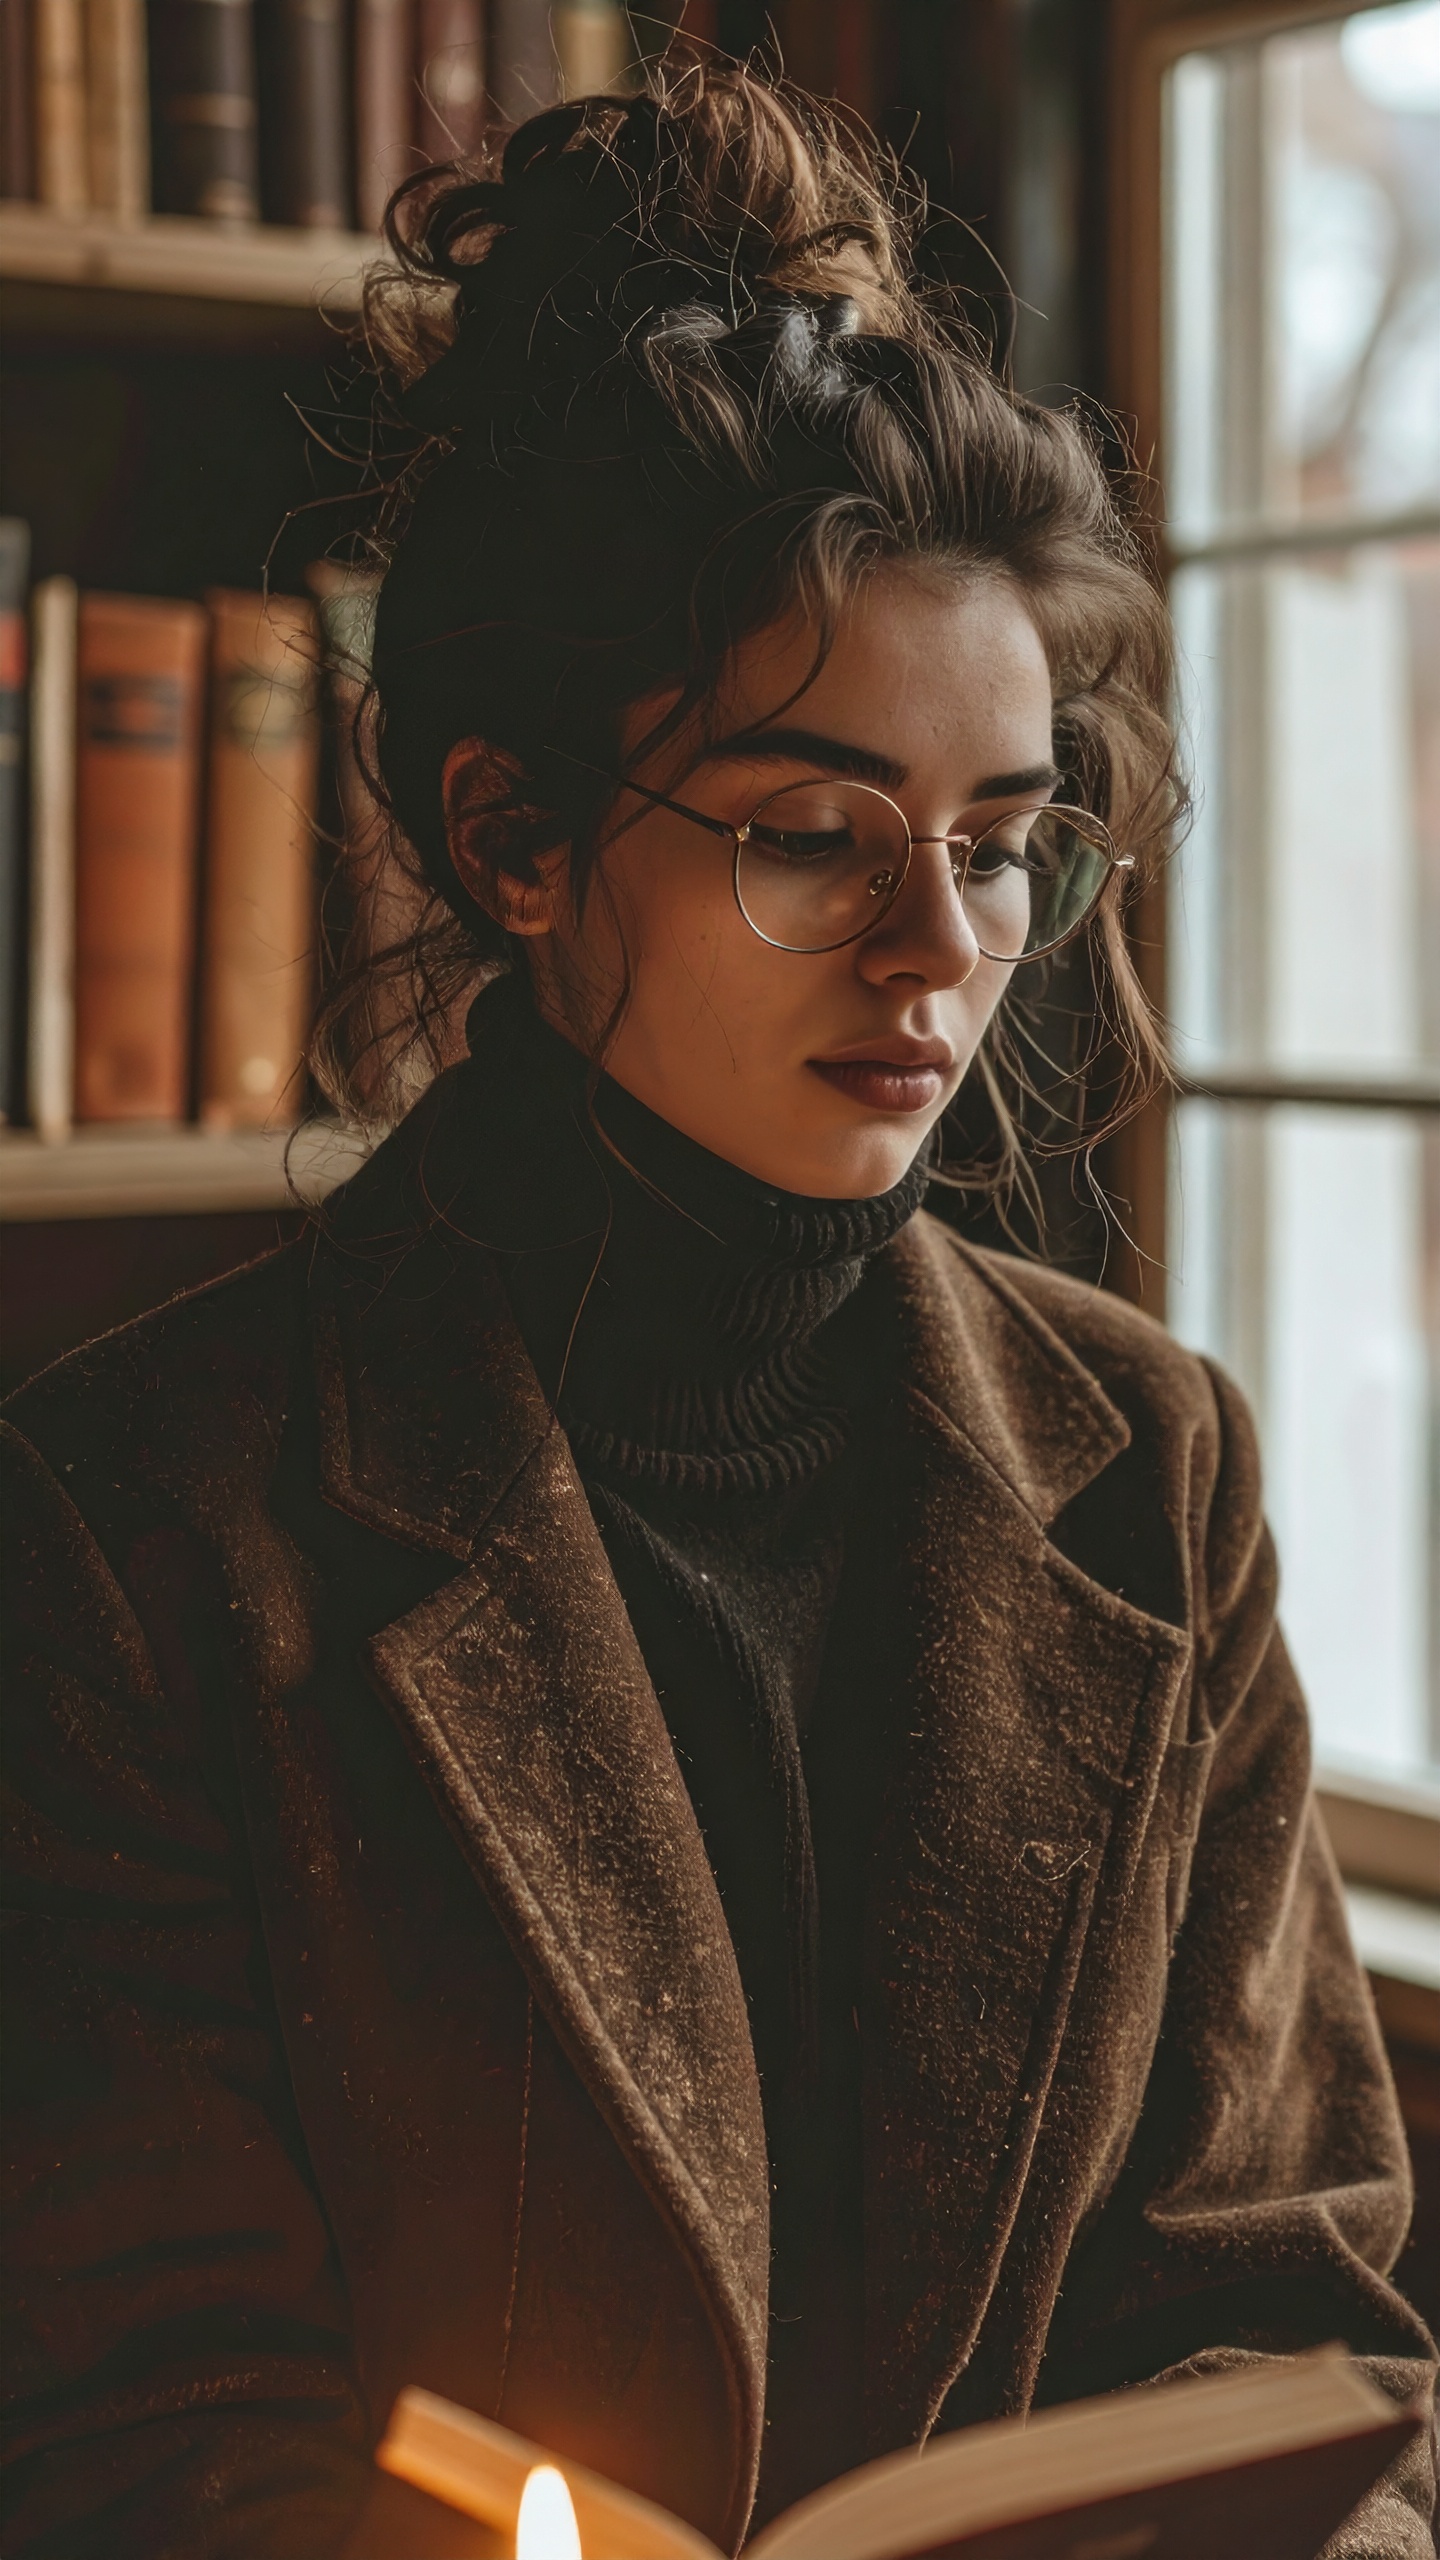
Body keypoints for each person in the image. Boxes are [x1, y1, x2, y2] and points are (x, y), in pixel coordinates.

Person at [2, 59, 1433, 2560]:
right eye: (812, 838)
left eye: (1004, 849)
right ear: (514, 835)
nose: (941, 955)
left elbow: (1293, 2330)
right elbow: (143, 2426)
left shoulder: (1151, 1462)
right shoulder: (144, 1526)